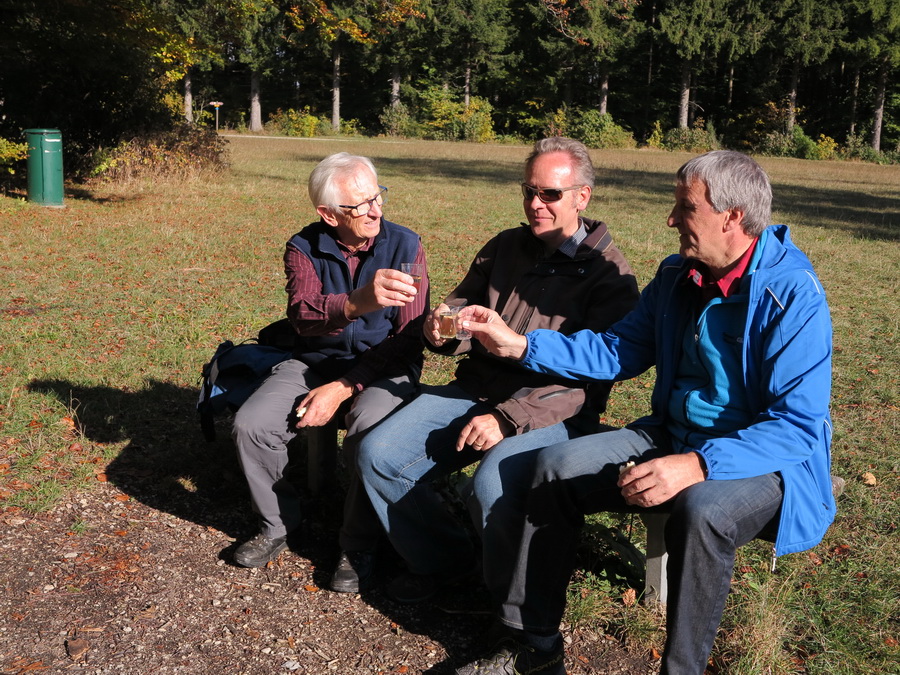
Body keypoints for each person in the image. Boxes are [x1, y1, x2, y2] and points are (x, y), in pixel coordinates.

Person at [456, 150, 836, 675]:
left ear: (732, 217)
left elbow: (796, 427)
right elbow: (618, 349)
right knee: (552, 469)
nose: (671, 219)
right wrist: (521, 345)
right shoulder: (679, 275)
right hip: (672, 434)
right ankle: (535, 646)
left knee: (702, 509)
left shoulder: (791, 295)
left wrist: (698, 465)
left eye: (685, 207)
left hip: (763, 461)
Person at [356, 137, 640, 604]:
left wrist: (510, 418)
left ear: (582, 197)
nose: (535, 204)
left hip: (553, 411)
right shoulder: (505, 246)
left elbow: (594, 376)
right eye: (529, 191)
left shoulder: (609, 276)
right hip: (477, 389)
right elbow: (460, 310)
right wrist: (441, 329)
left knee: (493, 484)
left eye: (550, 194)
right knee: (379, 454)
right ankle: (448, 563)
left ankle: (516, 607)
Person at [231, 152, 429, 596]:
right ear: (329, 214)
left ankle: (358, 544)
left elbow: (409, 337)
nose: (376, 210)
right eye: (361, 205)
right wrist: (357, 303)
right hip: (315, 360)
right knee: (252, 424)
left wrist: (344, 387)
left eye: (377, 196)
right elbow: (303, 317)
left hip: (386, 366)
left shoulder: (405, 245)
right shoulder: (303, 247)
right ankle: (277, 524)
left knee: (369, 432)